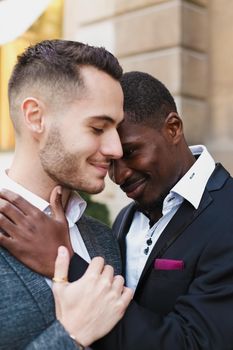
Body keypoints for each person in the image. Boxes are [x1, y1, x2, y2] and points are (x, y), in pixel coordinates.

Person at [1, 71, 233, 349]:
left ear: (173, 128)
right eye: (111, 161)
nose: (119, 175)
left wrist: (63, 261)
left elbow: (195, 343)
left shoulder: (225, 211)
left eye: (131, 151)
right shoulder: (124, 220)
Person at [0, 39, 133, 350]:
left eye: (117, 129)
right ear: (36, 117)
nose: (116, 149)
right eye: (98, 128)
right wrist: (70, 337)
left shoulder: (103, 238)